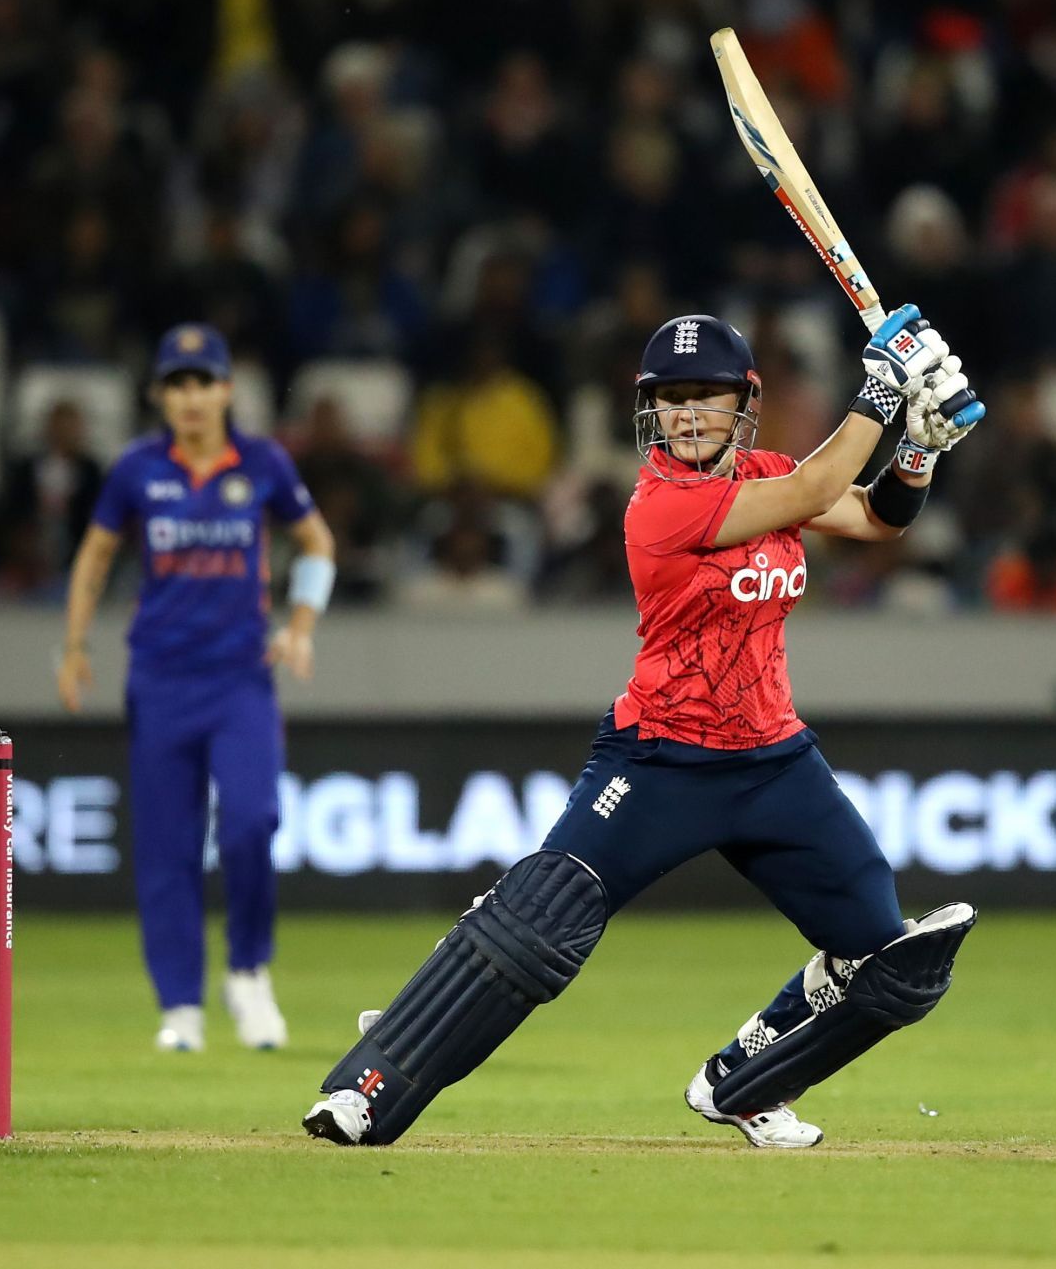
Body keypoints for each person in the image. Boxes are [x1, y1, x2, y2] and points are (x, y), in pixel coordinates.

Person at [302, 308, 986, 1148]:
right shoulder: (661, 505)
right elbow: (812, 491)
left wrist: (918, 447)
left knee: (888, 962)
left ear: (745, 403)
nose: (688, 414)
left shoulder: (766, 473)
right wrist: (881, 387)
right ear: (649, 410)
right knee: (534, 926)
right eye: (672, 399)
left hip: (774, 763)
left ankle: (743, 1082)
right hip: (659, 758)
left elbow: (877, 518)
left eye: (708, 396)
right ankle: (369, 1086)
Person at [58, 324, 336, 1053]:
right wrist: (75, 643)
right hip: (159, 678)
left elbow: (318, 543)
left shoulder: (265, 462)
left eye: (201, 381)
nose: (190, 397)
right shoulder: (137, 468)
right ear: (159, 395)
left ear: (226, 389)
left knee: (252, 822)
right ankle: (181, 1005)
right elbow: (94, 555)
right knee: (167, 848)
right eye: (176, 384)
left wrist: (301, 624)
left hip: (242, 677)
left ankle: (248, 971)